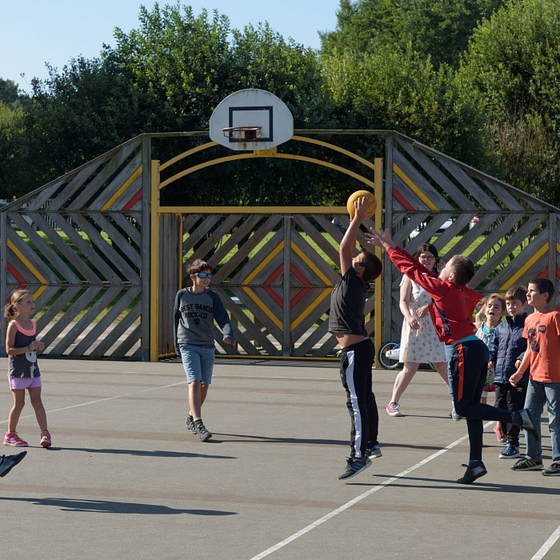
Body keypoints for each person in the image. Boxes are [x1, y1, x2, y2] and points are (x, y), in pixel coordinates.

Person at [365, 228, 539, 484]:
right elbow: (421, 271)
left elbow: (414, 271)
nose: (439, 267)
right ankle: (476, 464)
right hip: (475, 348)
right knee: (472, 410)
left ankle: (517, 417)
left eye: (444, 268)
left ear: (451, 275)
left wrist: (390, 248)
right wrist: (394, 247)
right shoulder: (464, 292)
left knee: (462, 406)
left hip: (463, 351)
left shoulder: (444, 289)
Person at [328, 197, 383, 480]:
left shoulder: (352, 280)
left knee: (356, 402)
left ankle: (359, 455)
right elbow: (349, 248)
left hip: (354, 351)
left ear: (359, 269)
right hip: (359, 347)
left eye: (357, 260)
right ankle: (371, 443)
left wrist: (357, 218)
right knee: (364, 398)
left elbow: (343, 246)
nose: (352, 258)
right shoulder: (355, 281)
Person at [173, 259, 233, 442]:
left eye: (209, 275)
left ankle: (191, 416)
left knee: (205, 384)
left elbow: (223, 317)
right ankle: (199, 423)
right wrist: (177, 344)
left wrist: (228, 333)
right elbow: (175, 319)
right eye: (203, 275)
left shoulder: (212, 296)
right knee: (194, 382)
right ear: (193, 277)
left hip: (207, 344)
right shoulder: (182, 295)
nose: (207, 279)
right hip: (187, 343)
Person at [387, 243, 448, 417]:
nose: (426, 260)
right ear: (417, 258)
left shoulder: (440, 277)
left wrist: (444, 274)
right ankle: (393, 402)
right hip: (415, 324)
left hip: (435, 325)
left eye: (430, 257)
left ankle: (458, 403)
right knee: (410, 366)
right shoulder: (410, 275)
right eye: (423, 257)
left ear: (436, 260)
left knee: (442, 366)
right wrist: (408, 316)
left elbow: (447, 297)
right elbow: (403, 301)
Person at [510, 278, 560, 475]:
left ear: (545, 295)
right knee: (529, 417)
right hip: (534, 378)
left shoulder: (554, 316)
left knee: (556, 421)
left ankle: (558, 460)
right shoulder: (529, 319)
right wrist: (520, 371)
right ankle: (533, 457)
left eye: (531, 291)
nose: (528, 294)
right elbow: (531, 349)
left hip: (555, 379)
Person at [3, 290, 50, 448]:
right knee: (20, 403)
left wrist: (37, 345)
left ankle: (45, 433)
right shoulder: (13, 325)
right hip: (18, 372)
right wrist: (28, 347)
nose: (32, 305)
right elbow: (9, 350)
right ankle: (10, 434)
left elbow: (30, 345)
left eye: (33, 302)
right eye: (28, 302)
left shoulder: (33, 324)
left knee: (38, 401)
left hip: (33, 370)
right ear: (17, 305)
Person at [489, 285, 529, 459]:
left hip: (518, 377)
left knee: (514, 408)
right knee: (500, 408)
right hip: (500, 375)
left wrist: (521, 357)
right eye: (509, 303)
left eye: (515, 303)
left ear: (524, 304)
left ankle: (513, 443)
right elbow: (494, 345)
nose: (511, 307)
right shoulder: (501, 326)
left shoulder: (527, 324)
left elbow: (531, 347)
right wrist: (490, 357)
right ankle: (506, 437)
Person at [474, 294, 505, 404]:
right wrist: (484, 306)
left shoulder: (502, 329)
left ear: (502, 313)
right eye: (489, 306)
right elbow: (477, 315)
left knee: (499, 393)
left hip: (495, 367)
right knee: (481, 392)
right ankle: (481, 411)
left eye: (496, 307)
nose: (492, 309)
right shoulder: (479, 326)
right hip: (481, 365)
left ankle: (499, 413)